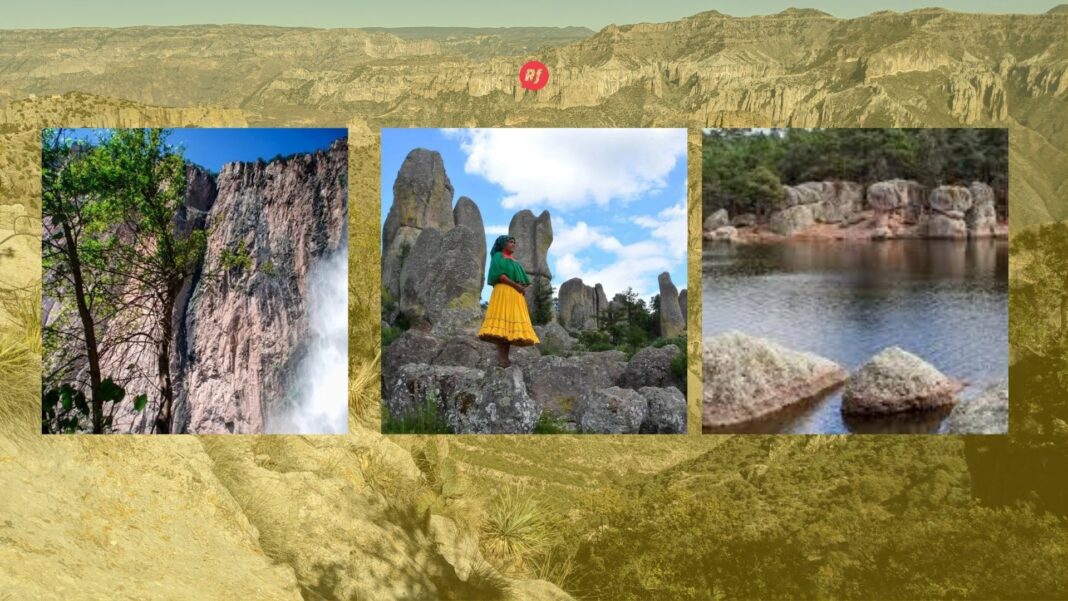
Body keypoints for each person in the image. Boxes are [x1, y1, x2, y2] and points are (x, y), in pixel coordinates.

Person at [477, 235, 540, 367]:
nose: (513, 244)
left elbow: (523, 280)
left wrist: (522, 287)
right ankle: (502, 358)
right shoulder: (498, 257)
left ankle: (505, 358)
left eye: (514, 242)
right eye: (510, 242)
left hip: (515, 295)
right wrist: (516, 286)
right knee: (502, 326)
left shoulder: (515, 262)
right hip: (503, 292)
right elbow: (500, 276)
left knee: (510, 328)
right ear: (503, 244)